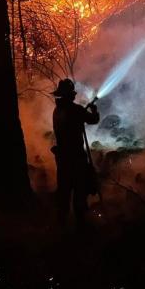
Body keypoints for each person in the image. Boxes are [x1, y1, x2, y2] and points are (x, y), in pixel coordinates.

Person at [51, 78, 100, 225]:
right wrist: (94, 110)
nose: (73, 95)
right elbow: (93, 120)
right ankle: (81, 224)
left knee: (64, 190)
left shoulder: (57, 111)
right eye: (71, 93)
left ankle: (62, 223)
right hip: (76, 156)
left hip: (62, 157)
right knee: (79, 190)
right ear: (68, 95)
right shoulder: (75, 110)